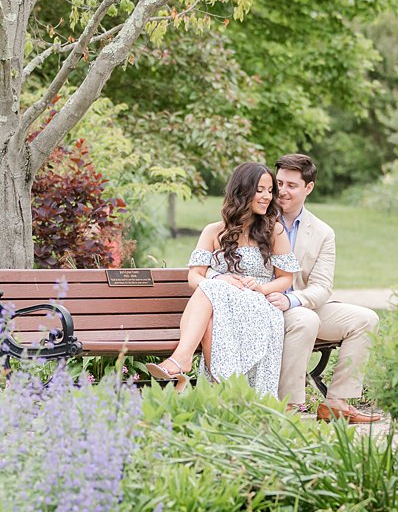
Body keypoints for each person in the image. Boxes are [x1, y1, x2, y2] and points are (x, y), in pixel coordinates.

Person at [146, 162, 297, 396]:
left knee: (212, 290)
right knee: (211, 304)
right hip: (221, 306)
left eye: (270, 190)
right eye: (260, 190)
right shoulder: (213, 231)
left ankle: (182, 361)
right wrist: (220, 280)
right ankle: (225, 394)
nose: (267, 196)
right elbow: (194, 277)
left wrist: (260, 287)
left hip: (259, 305)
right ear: (242, 191)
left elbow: (285, 279)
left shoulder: (274, 231)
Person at [265, 153, 382, 423]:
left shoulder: (322, 232)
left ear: (309, 188)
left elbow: (322, 287)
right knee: (306, 320)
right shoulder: (260, 217)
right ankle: (289, 406)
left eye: (291, 186)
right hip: (264, 304)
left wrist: (293, 301)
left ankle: (337, 402)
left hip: (298, 304)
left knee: (365, 319)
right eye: (279, 183)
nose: (282, 191)